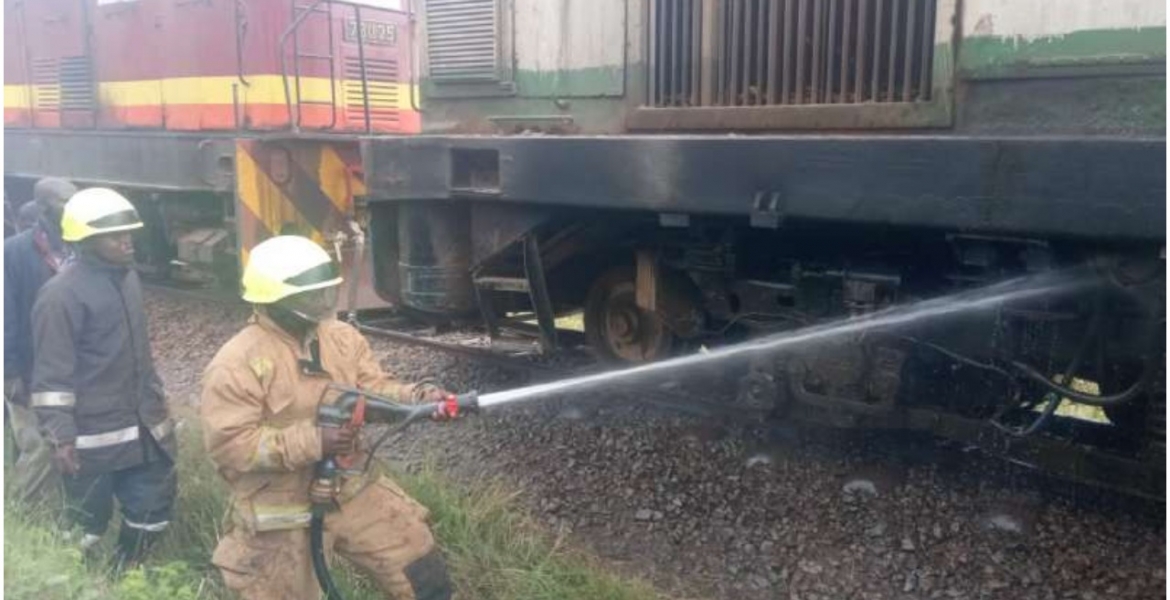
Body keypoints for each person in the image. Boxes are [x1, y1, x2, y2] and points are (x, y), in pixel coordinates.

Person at [201, 235, 454, 600]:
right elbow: (230, 445)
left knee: (422, 571)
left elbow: (371, 389)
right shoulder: (236, 363)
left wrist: (418, 399)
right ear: (276, 300)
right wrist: (315, 441)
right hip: (280, 508)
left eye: (325, 291)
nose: (322, 302)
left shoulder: (341, 339)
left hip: (351, 487)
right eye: (311, 295)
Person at [30, 187, 176, 566]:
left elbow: (139, 354)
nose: (127, 242)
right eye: (116, 236)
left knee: (152, 518)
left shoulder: (127, 279)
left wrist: (157, 402)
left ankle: (121, 580)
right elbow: (51, 378)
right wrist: (60, 437)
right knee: (85, 530)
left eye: (129, 233)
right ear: (87, 240)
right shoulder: (59, 296)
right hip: (91, 442)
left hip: (143, 431)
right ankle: (68, 584)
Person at [4, 178, 77, 507]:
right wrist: (10, 372)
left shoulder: (80, 247)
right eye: (65, 200)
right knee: (37, 446)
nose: (74, 205)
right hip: (29, 369)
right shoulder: (14, 253)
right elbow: (7, 315)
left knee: (66, 441)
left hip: (68, 367)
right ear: (46, 207)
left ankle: (61, 510)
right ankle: (21, 516)